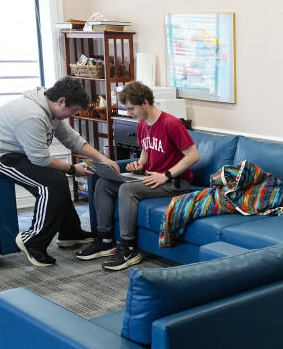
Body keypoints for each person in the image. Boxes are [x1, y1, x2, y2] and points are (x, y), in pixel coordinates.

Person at [0, 77, 120, 267]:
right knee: (51, 184)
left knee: (57, 178)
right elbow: (40, 159)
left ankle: (70, 233)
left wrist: (103, 159)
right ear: (61, 101)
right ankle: (32, 241)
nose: (72, 114)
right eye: (72, 110)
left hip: (15, 153)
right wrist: (73, 169)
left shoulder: (50, 110)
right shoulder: (33, 115)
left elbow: (72, 139)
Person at [76, 81, 199, 271]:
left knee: (127, 189)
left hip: (176, 182)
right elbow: (146, 151)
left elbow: (193, 156)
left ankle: (129, 248)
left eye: (132, 108)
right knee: (103, 184)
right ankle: (105, 239)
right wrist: (139, 164)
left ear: (145, 102)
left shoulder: (171, 124)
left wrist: (165, 175)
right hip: (150, 178)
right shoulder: (142, 124)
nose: (130, 113)